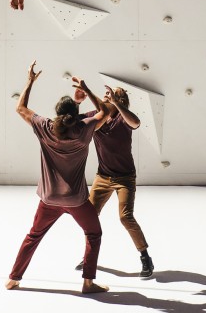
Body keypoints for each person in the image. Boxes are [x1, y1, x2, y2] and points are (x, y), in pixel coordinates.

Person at [6, 63, 108, 295]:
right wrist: (87, 90)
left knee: (33, 236)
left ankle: (13, 279)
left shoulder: (46, 127)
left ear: (58, 113)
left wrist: (30, 81)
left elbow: (20, 108)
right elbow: (105, 112)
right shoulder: (84, 129)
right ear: (74, 115)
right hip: (76, 200)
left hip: (49, 199)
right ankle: (88, 283)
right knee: (93, 234)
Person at [81, 86, 154, 278]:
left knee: (125, 217)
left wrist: (116, 103)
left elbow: (136, 122)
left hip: (125, 178)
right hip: (103, 177)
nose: (107, 95)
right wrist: (79, 98)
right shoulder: (96, 115)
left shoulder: (124, 118)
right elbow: (73, 119)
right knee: (88, 216)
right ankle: (89, 257)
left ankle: (145, 256)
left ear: (120, 101)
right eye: (106, 93)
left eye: (113, 94)